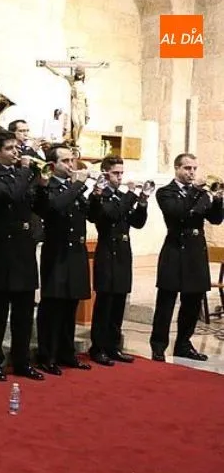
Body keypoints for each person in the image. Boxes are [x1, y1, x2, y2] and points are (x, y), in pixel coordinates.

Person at [0, 131, 48, 382]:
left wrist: (41, 187)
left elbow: (38, 207)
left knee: (24, 311)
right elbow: (8, 196)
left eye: (16, 148)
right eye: (9, 148)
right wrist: (26, 172)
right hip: (1, 251)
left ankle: (21, 360)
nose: (15, 152)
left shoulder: (22, 176)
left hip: (24, 249)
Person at [149, 153, 224, 361]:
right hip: (174, 250)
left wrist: (217, 201)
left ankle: (183, 344)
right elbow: (178, 213)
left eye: (194, 169)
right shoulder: (165, 192)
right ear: (177, 169)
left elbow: (216, 220)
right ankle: (158, 346)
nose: (191, 173)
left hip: (195, 252)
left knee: (192, 303)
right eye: (187, 168)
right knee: (166, 302)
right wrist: (197, 193)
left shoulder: (200, 193)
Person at [33, 144, 93, 375]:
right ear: (52, 165)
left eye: (72, 160)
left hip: (75, 253)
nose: (71, 165)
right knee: (53, 306)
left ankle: (67, 352)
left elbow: (88, 214)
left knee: (71, 305)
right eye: (65, 161)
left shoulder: (73, 188)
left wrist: (93, 195)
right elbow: (55, 208)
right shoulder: (47, 187)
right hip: (57, 253)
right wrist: (78, 184)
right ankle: (47, 354)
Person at [87, 156, 148, 365]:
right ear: (105, 173)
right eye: (116, 173)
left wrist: (141, 204)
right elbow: (112, 215)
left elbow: (137, 223)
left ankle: (113, 346)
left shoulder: (123, 197)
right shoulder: (100, 196)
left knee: (119, 301)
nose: (120, 177)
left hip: (123, 252)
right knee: (105, 302)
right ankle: (98, 347)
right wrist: (131, 195)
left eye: (122, 173)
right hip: (106, 251)